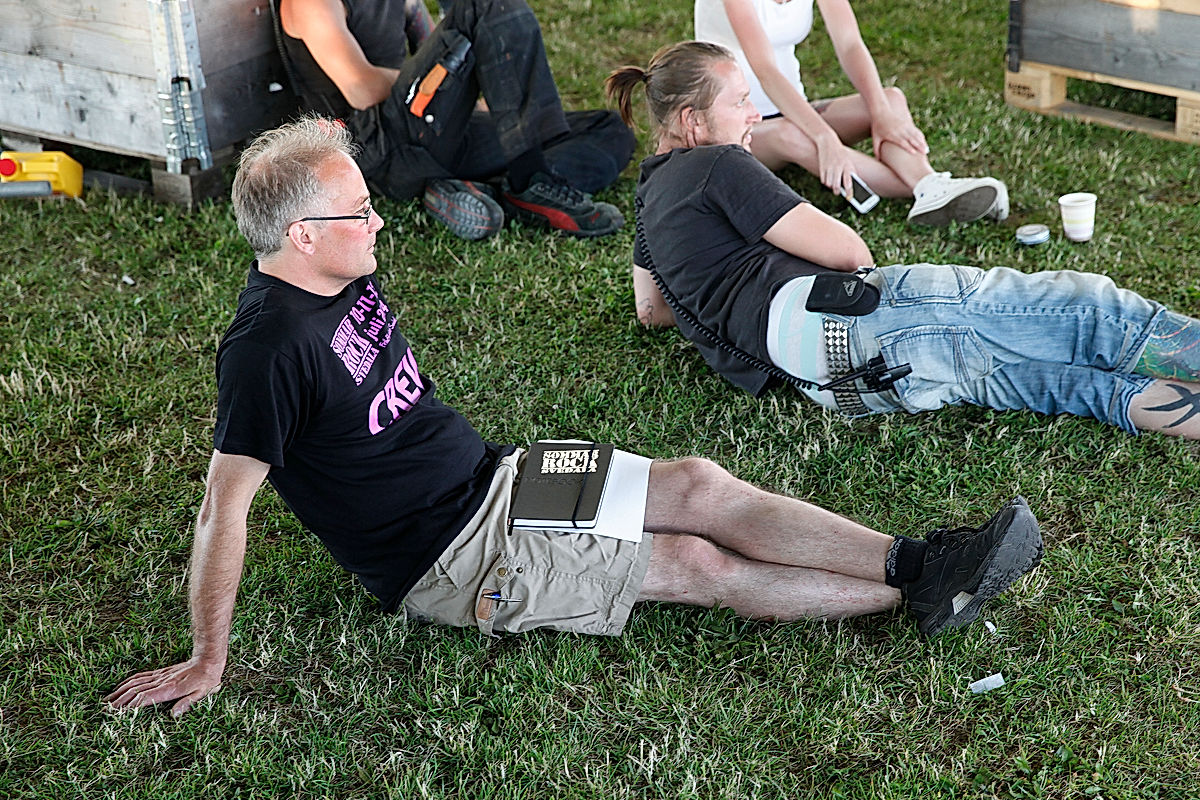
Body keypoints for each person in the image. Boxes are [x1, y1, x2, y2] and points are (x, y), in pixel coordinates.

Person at [105, 117, 1043, 716]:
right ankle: (918, 599)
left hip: (499, 479)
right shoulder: (269, 349)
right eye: (361, 213)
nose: (381, 223)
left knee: (697, 486)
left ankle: (919, 558)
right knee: (691, 563)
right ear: (302, 237)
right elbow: (222, 510)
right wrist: (205, 658)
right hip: (452, 558)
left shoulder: (340, 269)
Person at [606, 41, 1200, 439]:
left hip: (839, 387)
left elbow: (652, 310)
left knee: (1043, 379)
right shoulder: (719, 164)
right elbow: (850, 254)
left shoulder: (648, 196)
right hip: (853, 318)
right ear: (691, 122)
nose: (753, 116)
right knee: (1083, 311)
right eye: (740, 103)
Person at [273, 0, 635, 240]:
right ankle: (532, 180)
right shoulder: (311, 3)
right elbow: (362, 89)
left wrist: (460, 95)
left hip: (428, 128)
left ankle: (486, 193)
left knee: (608, 129)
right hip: (374, 149)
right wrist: (450, 87)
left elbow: (438, 52)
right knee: (484, 3)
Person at [693, 0, 1007, 225]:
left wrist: (881, 112)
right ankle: (932, 187)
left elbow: (849, 44)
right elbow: (766, 72)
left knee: (890, 99)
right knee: (791, 135)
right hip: (737, 128)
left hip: (793, 109)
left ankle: (932, 187)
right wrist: (824, 136)